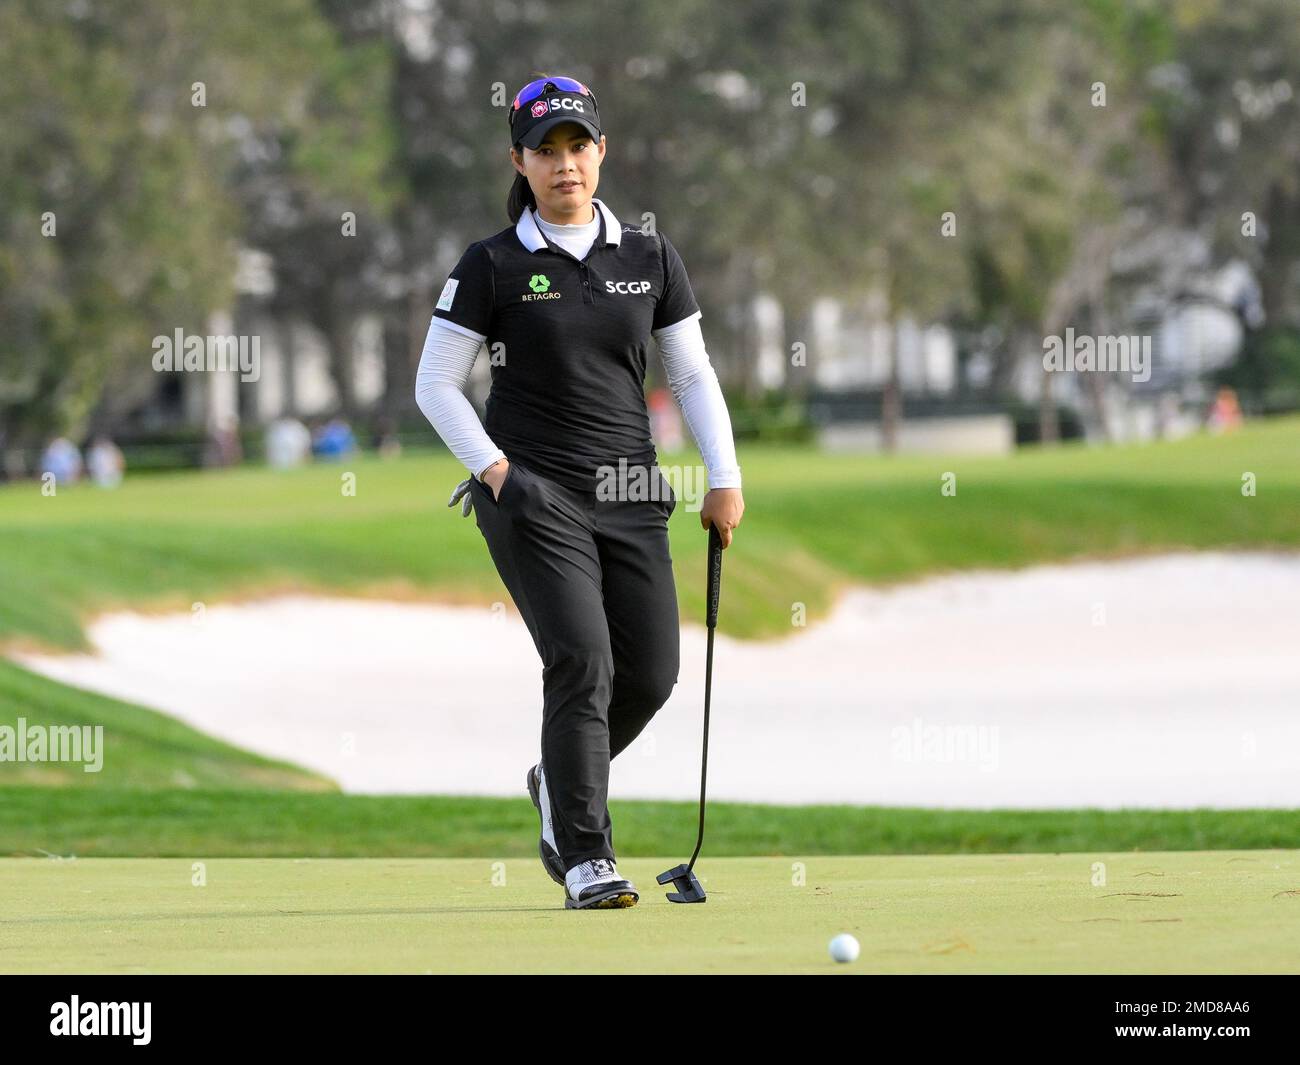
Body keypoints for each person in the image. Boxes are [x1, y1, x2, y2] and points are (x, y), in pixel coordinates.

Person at [415, 74, 744, 909]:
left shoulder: (650, 257)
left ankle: (555, 788)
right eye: (546, 151)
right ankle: (589, 855)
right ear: (519, 162)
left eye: (578, 147)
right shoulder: (491, 263)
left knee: (653, 674)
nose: (565, 165)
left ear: (602, 151)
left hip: (633, 487)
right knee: (582, 661)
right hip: (532, 490)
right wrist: (495, 473)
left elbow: (694, 374)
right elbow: (436, 385)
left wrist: (724, 477)